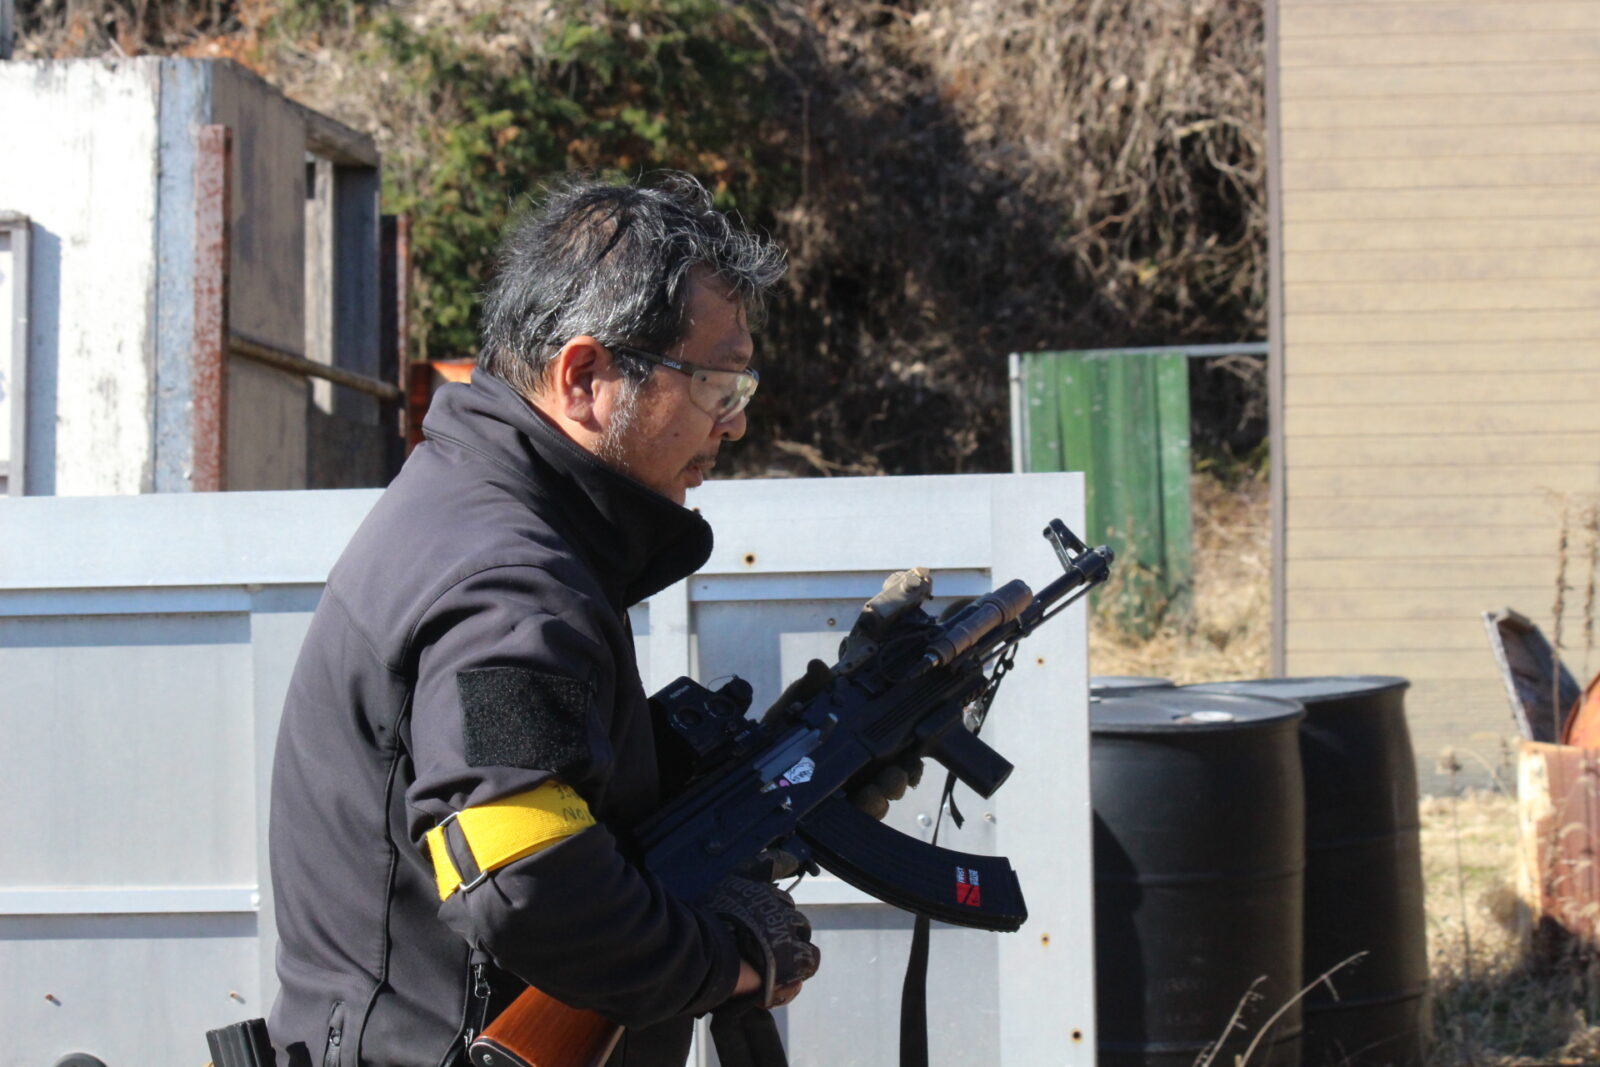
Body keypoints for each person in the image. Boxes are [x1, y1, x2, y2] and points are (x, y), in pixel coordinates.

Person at [267, 173, 819, 1067]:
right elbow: (527, 878)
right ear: (586, 377)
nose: (736, 423)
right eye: (718, 385)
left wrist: (785, 788)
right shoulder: (513, 585)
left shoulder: (478, 512)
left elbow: (549, 799)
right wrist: (726, 963)